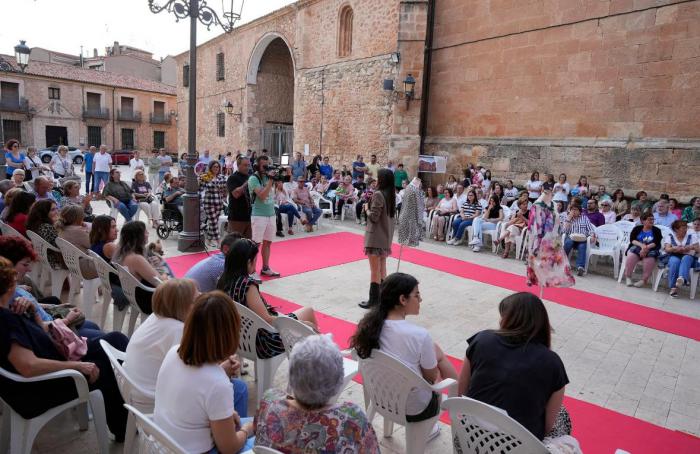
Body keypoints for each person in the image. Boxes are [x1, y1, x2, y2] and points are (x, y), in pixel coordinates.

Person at [0, 257, 129, 442]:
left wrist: (33, 313)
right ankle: (124, 428)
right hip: (41, 389)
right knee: (107, 365)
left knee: (115, 340)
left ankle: (129, 405)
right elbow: (28, 366)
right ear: (10, 286)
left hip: (45, 368)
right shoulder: (5, 320)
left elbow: (37, 336)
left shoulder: (9, 312)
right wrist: (77, 367)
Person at [458, 292, 581, 453]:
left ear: (510, 319)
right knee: (562, 415)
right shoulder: (552, 363)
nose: (500, 321)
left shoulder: (482, 340)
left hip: (469, 440)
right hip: (519, 448)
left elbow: (462, 392)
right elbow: (547, 427)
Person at [351, 273, 457, 439]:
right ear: (402, 299)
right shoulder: (419, 335)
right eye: (417, 295)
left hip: (381, 397)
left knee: (430, 352)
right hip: (414, 409)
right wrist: (436, 356)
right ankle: (457, 407)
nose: (420, 300)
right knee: (438, 356)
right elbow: (431, 377)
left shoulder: (368, 327)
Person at [154, 291, 254, 453]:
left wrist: (226, 415)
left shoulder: (174, 353)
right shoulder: (217, 384)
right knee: (266, 438)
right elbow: (229, 448)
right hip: (194, 450)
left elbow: (196, 390)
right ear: (229, 335)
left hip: (163, 444)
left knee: (240, 389)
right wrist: (248, 430)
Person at [255, 335, 379, 452]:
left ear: (291, 375)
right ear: (338, 379)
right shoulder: (351, 419)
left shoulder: (269, 401)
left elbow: (257, 431)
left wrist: (245, 430)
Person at [217, 239, 317, 358]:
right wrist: (299, 324)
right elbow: (267, 320)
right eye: (255, 259)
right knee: (309, 316)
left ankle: (320, 353)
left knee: (306, 317)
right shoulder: (247, 285)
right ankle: (323, 356)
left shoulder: (223, 281)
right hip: (263, 343)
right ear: (249, 262)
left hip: (239, 338)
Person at [112, 221, 169, 314]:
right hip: (148, 300)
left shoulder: (122, 253)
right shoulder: (136, 258)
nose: (148, 233)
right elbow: (162, 283)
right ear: (138, 237)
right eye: (146, 232)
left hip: (135, 296)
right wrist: (163, 270)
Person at [359, 169, 396, 309]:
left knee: (374, 270)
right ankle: (382, 299)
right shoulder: (391, 195)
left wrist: (366, 208)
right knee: (382, 268)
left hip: (375, 237)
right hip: (386, 237)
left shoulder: (379, 195)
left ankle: (373, 300)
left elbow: (373, 217)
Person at [527, 189, 576, 287]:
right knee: (538, 262)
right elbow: (533, 224)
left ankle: (549, 280)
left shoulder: (553, 205)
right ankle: (537, 279)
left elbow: (557, 223)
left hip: (552, 237)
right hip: (539, 237)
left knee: (553, 262)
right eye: (546, 193)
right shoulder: (536, 205)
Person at [248, 156, 280, 277]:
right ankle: (251, 271)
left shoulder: (268, 176)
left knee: (268, 242)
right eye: (264, 166)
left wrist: (282, 173)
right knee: (256, 244)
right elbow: (262, 195)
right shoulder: (253, 179)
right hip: (259, 215)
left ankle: (265, 268)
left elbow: (283, 181)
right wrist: (271, 180)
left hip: (271, 214)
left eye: (268, 165)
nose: (266, 168)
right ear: (257, 166)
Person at [56, 205, 98, 280]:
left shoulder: (62, 228)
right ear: (78, 218)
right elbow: (92, 245)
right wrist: (86, 230)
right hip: (82, 266)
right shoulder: (78, 231)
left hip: (69, 263)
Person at [622, 213, 662, 288]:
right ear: (643, 221)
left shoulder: (657, 230)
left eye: (653, 219)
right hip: (637, 247)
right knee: (631, 256)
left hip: (651, 249)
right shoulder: (637, 228)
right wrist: (642, 246)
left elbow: (656, 242)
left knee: (649, 259)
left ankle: (644, 280)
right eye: (649, 219)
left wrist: (646, 248)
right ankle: (628, 277)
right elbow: (632, 240)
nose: (652, 221)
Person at [27, 199, 65, 270]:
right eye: (53, 210)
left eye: (57, 208)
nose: (57, 212)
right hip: (54, 259)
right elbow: (60, 246)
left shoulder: (36, 223)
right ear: (44, 212)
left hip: (43, 257)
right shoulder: (46, 227)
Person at [663, 220, 699, 298]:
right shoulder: (670, 236)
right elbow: (667, 249)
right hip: (675, 255)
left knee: (686, 258)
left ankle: (682, 278)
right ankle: (673, 288)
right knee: (674, 262)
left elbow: (698, 249)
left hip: (689, 258)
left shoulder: (692, 235)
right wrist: (675, 248)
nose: (685, 230)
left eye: (686, 228)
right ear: (676, 229)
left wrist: (691, 247)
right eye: (683, 228)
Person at [562, 201, 597, 276]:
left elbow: (590, 229)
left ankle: (580, 267)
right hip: (571, 237)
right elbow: (564, 231)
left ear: (579, 211)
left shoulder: (584, 218)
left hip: (582, 239)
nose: (574, 211)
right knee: (568, 243)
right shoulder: (568, 218)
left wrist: (592, 236)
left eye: (576, 209)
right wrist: (569, 219)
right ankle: (562, 263)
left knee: (582, 246)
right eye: (572, 209)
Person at [199, 161, 229, 247]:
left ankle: (208, 240)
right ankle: (219, 242)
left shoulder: (221, 177)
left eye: (217, 167)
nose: (216, 168)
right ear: (210, 167)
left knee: (213, 222)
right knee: (214, 222)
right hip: (208, 202)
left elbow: (225, 189)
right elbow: (200, 189)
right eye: (214, 167)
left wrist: (224, 196)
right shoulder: (206, 176)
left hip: (219, 203)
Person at [226, 156, 252, 239]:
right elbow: (236, 194)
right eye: (245, 165)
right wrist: (248, 182)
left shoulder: (249, 176)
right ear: (238, 165)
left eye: (248, 165)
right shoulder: (232, 178)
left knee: (248, 245)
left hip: (250, 216)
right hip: (236, 217)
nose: (247, 167)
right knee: (234, 244)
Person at [397, 177, 425, 247]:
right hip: (411, 216)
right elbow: (419, 205)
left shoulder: (408, 188)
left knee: (404, 237)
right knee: (409, 236)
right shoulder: (415, 190)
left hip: (404, 214)